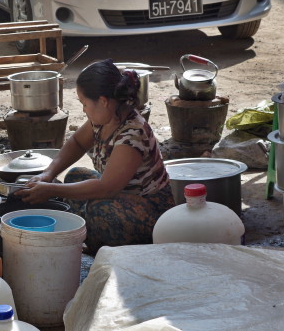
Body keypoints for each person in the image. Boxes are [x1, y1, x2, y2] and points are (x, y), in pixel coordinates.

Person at [14, 59, 174, 253]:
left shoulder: (133, 134)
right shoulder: (105, 118)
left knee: (99, 210)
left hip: (151, 209)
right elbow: (77, 143)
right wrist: (47, 175)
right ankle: (87, 227)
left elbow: (106, 188)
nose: (83, 109)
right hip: (118, 194)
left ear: (103, 101)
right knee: (75, 175)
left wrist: (52, 190)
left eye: (84, 103)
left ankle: (100, 249)